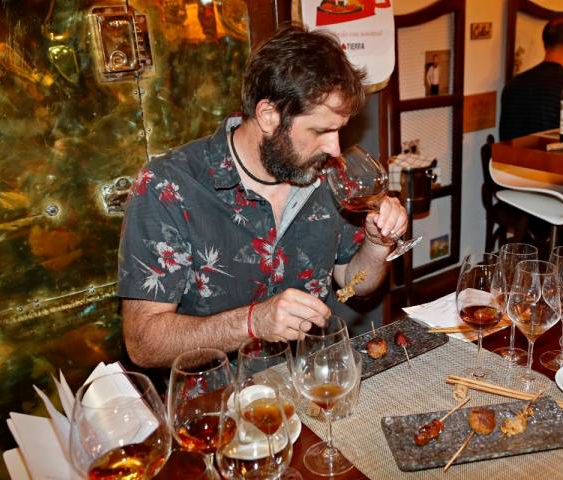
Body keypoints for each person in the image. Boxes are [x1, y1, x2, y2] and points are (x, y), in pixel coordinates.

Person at [117, 25, 408, 368]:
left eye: (339, 130)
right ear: (269, 116)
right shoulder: (168, 186)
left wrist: (376, 244)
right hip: (218, 406)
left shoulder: (331, 173)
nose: (334, 148)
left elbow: (355, 283)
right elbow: (143, 342)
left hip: (312, 382)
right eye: (321, 131)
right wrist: (254, 322)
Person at [499, 16, 563, 141]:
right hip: (554, 159)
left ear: (545, 43)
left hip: (512, 159)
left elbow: (505, 138)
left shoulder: (513, 84)